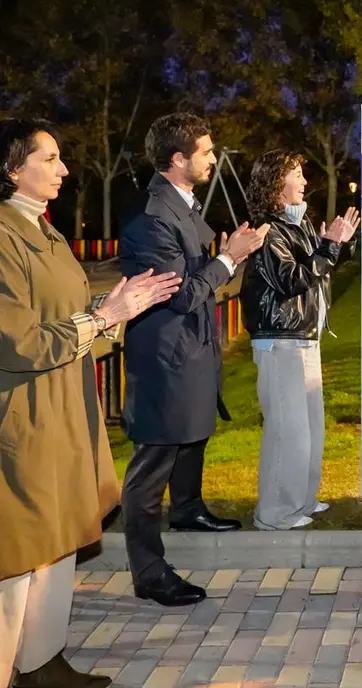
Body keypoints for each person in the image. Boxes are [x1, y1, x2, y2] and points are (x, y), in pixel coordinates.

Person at [0, 118, 180, 688]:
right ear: (11, 168)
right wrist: (103, 318)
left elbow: (66, 318)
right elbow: (17, 342)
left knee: (57, 542)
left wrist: (112, 310)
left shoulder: (44, 231)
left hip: (62, 407)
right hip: (23, 410)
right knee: (20, 552)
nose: (64, 169)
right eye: (49, 159)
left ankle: (42, 660)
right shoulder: (3, 236)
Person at [118, 113, 269, 607]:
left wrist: (224, 258)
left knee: (193, 432)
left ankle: (187, 509)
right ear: (178, 159)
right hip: (165, 355)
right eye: (205, 151)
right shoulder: (152, 218)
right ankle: (148, 571)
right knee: (154, 461)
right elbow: (182, 295)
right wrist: (229, 258)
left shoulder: (182, 203)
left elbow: (198, 275)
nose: (212, 158)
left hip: (192, 346)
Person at [239, 151, 359, 530]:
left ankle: (302, 500)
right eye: (296, 174)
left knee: (309, 429)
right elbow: (291, 280)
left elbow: (319, 269)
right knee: (287, 430)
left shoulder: (299, 224)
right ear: (276, 182)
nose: (305, 181)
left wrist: (339, 243)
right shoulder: (268, 231)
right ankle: (275, 513)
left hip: (304, 336)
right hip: (280, 340)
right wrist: (329, 247)